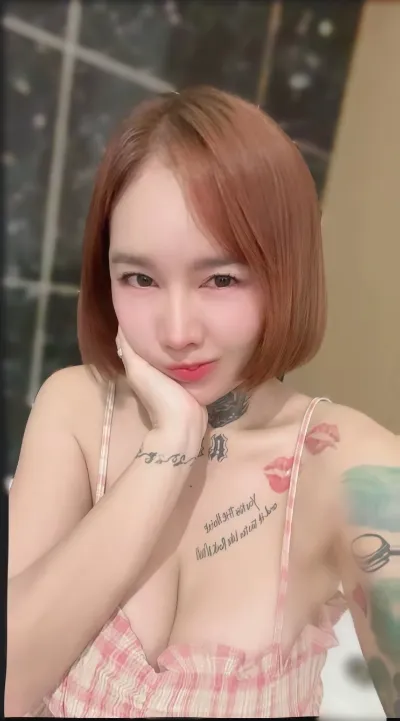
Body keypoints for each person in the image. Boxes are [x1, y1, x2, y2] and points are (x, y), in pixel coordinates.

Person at [6, 86, 400, 719]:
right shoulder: (76, 410)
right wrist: (169, 445)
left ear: (285, 272)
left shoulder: (349, 466)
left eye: (221, 278)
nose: (177, 331)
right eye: (140, 278)